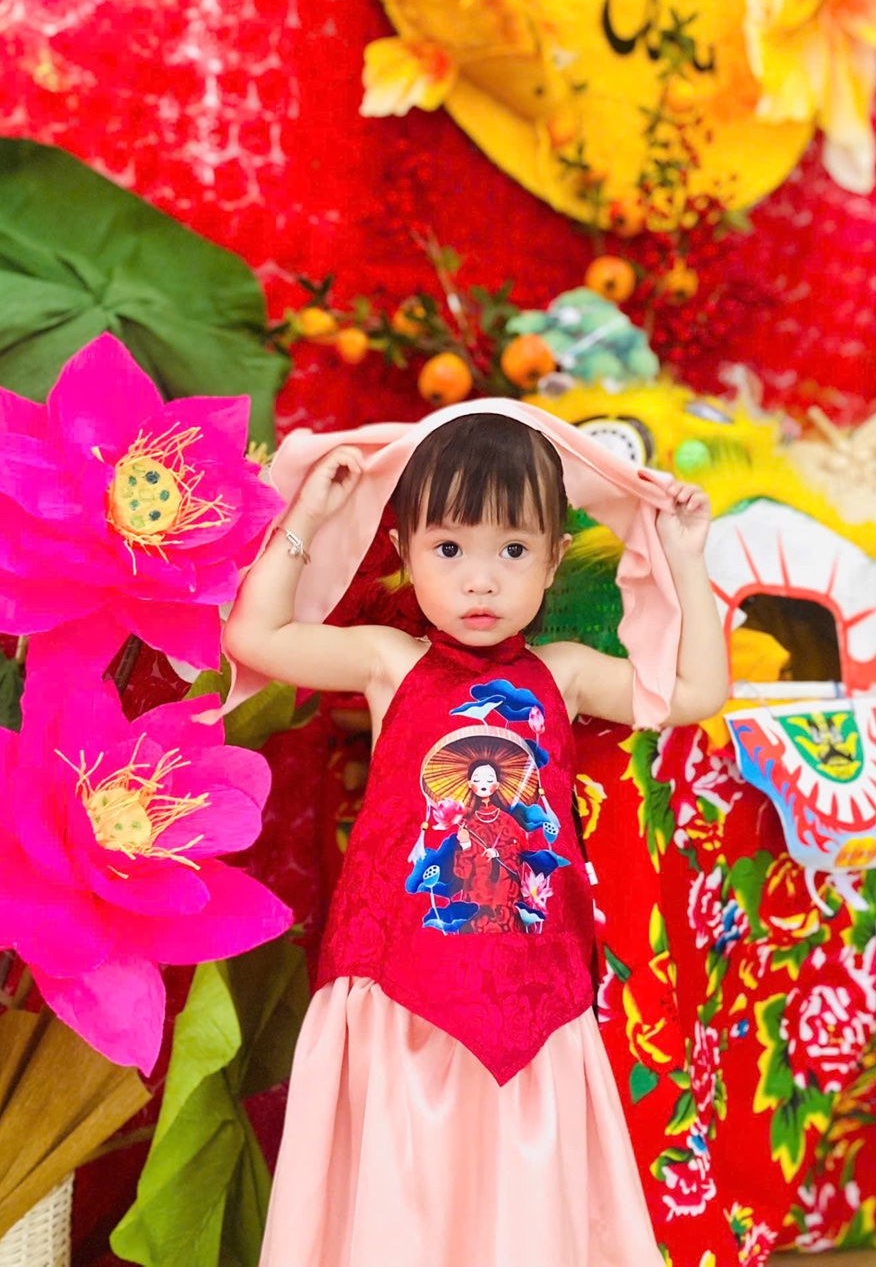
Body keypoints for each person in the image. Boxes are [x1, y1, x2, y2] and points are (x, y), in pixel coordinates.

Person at [223, 405, 728, 1267]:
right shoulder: (388, 662)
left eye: (514, 551)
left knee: (517, 1196)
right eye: (450, 549)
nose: (481, 583)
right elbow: (254, 636)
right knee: (403, 1187)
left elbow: (696, 694)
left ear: (555, 558)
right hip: (399, 985)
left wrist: (683, 552)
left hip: (530, 991)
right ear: (404, 551)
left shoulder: (563, 675)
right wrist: (308, 516)